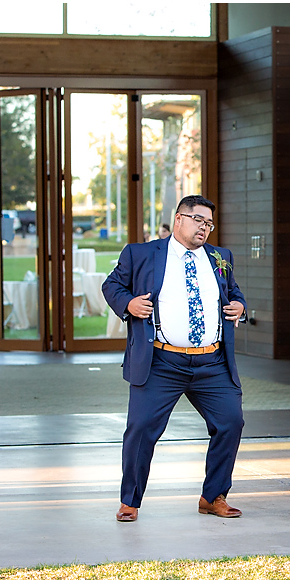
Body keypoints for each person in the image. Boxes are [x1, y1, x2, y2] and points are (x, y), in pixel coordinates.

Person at [102, 195, 247, 522]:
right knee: (141, 430)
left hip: (212, 363)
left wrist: (240, 306)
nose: (204, 228)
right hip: (161, 364)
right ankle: (130, 501)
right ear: (179, 218)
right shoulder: (141, 253)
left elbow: (233, 293)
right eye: (198, 220)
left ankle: (213, 496)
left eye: (209, 224)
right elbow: (112, 286)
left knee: (231, 423)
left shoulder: (221, 257)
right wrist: (129, 304)